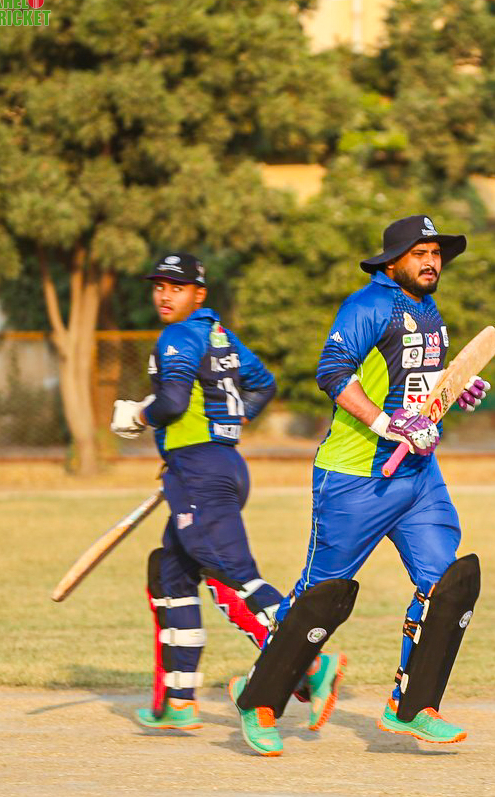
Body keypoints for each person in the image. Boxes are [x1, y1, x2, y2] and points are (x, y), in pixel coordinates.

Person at [229, 215, 490, 756]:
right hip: (355, 478)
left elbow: (416, 387)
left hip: (419, 477)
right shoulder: (368, 305)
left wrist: (453, 390)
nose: (431, 262)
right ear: (392, 261)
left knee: (448, 583)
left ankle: (412, 707)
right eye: (419, 253)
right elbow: (332, 373)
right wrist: (388, 425)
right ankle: (260, 699)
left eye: (436, 253)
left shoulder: (429, 311)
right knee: (320, 598)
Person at [111, 252, 344, 732]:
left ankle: (309, 663)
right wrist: (225, 427)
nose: (164, 295)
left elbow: (172, 402)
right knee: (173, 577)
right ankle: (178, 701)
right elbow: (263, 385)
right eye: (159, 286)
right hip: (219, 466)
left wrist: (137, 416)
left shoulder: (178, 335)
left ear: (198, 294)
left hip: (199, 470)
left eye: (176, 287)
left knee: (236, 574)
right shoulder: (220, 335)